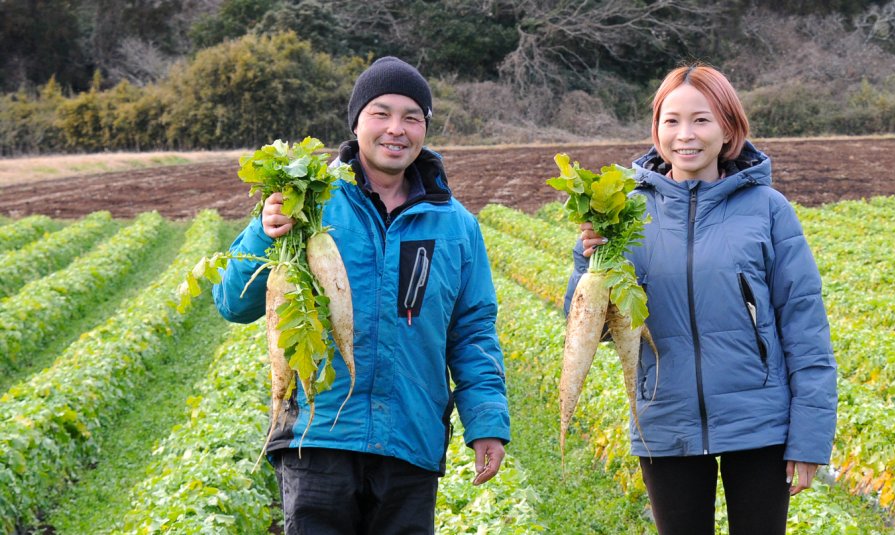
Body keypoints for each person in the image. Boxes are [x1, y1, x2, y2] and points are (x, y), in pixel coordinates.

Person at [213, 56, 511, 534]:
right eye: (381, 113)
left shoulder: (456, 226)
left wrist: (487, 421)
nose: (396, 129)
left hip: (409, 442)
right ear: (356, 122)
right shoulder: (305, 200)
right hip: (318, 438)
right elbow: (233, 302)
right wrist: (264, 234)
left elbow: (472, 330)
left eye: (412, 117)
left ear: (425, 129)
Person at [564, 63, 837, 534]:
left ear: (728, 128)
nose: (684, 135)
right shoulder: (624, 213)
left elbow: (805, 326)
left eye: (701, 119)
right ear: (656, 129)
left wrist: (810, 438)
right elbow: (600, 331)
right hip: (665, 421)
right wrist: (586, 265)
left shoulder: (768, 209)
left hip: (759, 424)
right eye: (671, 121)